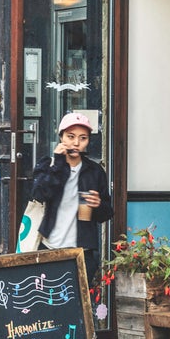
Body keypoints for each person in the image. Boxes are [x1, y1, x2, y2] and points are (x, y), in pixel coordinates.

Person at [30, 112, 114, 284]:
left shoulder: (95, 171)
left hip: (82, 251)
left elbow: (107, 213)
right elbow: (40, 194)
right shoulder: (48, 164)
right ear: (61, 137)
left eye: (83, 138)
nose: (76, 143)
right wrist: (59, 164)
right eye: (70, 137)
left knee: (78, 306)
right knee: (47, 303)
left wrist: (99, 205)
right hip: (49, 247)